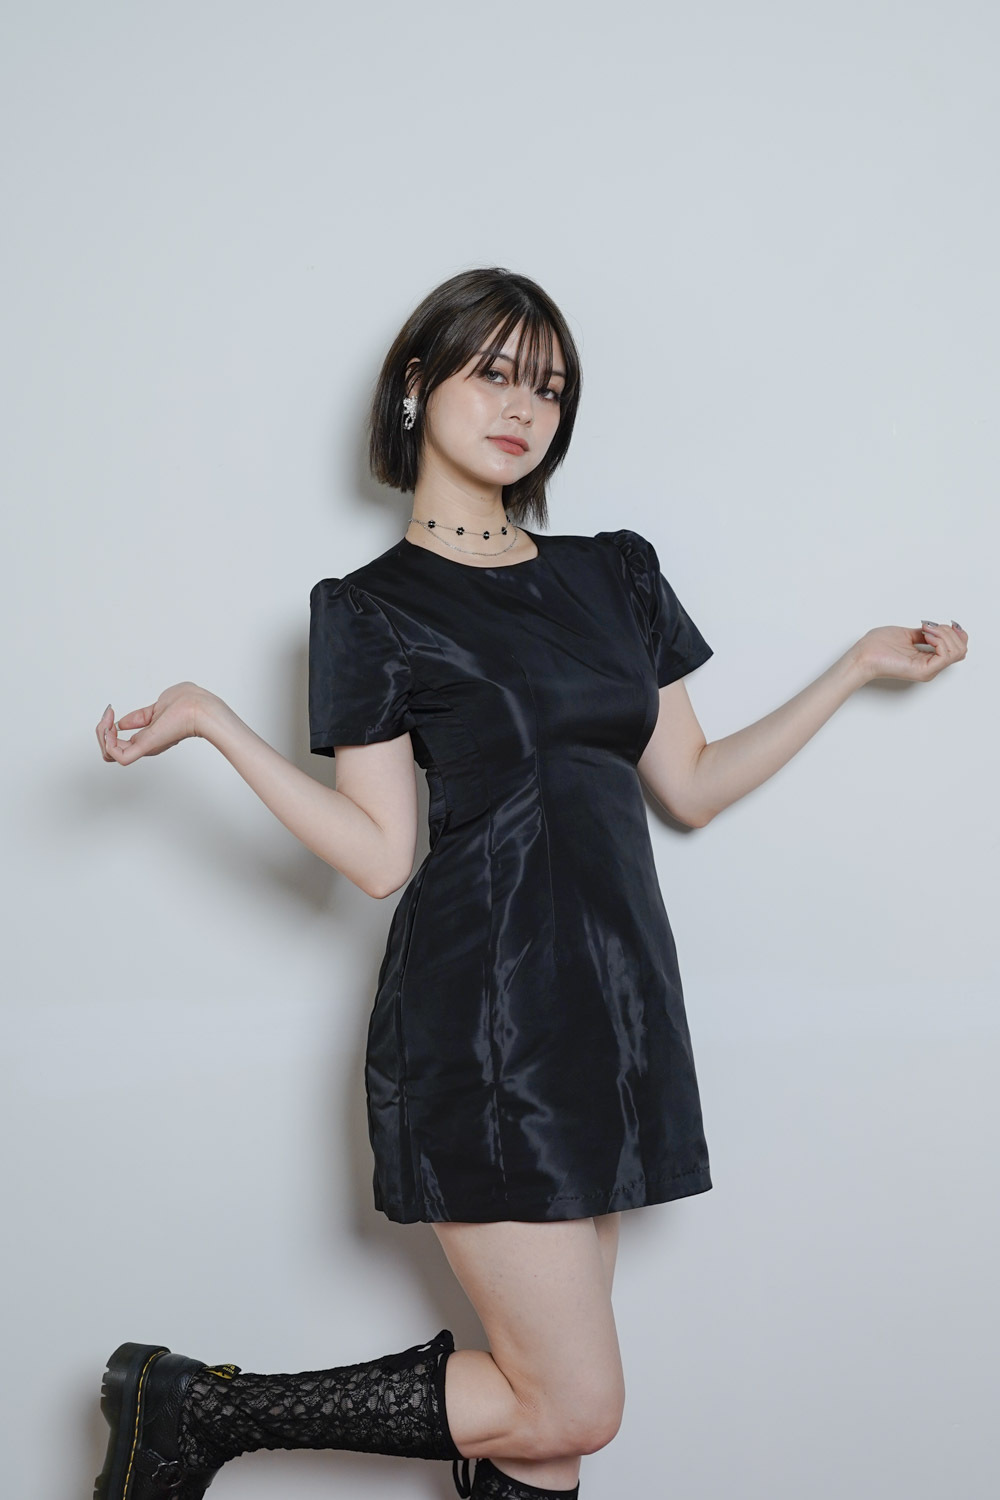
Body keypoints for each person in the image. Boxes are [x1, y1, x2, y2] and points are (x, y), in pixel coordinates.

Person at [92, 267, 968, 1500]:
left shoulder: (615, 574)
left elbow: (691, 783)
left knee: (545, 1430)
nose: (523, 407)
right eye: (494, 372)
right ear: (417, 385)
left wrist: (853, 668)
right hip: (487, 1022)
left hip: (615, 1010)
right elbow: (380, 855)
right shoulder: (370, 610)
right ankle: (196, 1411)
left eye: (549, 388)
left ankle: (190, 1413)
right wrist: (215, 723)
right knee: (575, 1402)